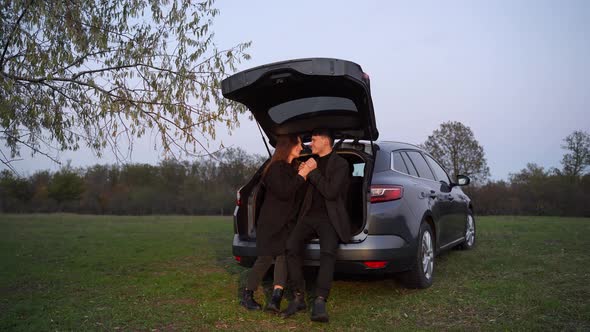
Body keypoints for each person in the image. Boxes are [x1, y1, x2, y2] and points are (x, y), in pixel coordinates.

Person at [240, 134, 316, 312]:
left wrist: (304, 173)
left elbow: (297, 193)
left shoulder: (291, 167)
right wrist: (302, 175)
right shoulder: (274, 168)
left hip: (287, 222)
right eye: (298, 143)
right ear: (289, 146)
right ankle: (247, 295)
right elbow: (284, 192)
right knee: (265, 258)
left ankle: (276, 298)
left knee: (282, 258)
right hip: (271, 223)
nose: (301, 146)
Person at [282, 129, 351, 323]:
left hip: (329, 218)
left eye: (313, 140)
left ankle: (320, 299)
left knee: (328, 252)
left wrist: (312, 172)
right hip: (308, 216)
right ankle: (298, 297)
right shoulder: (310, 161)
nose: (310, 144)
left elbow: (330, 192)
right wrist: (302, 172)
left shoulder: (341, 164)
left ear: (326, 141)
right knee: (291, 247)